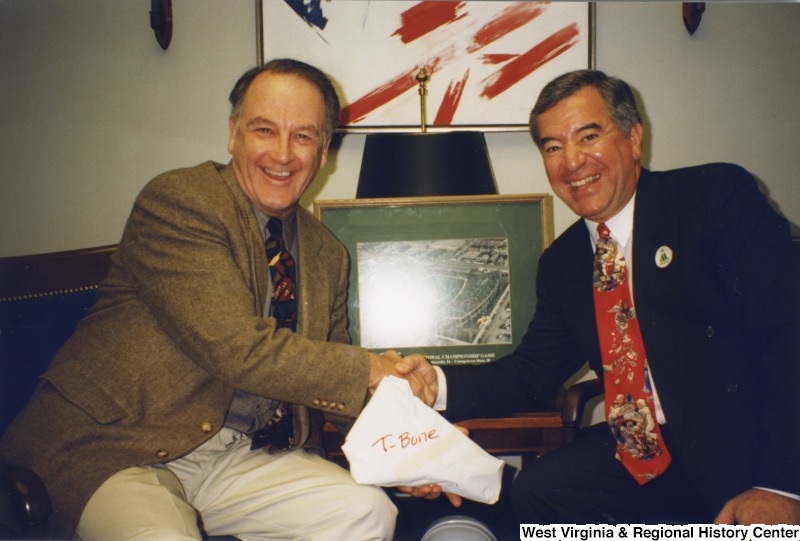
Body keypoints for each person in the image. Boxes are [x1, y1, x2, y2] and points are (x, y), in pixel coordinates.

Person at [0, 59, 436, 540]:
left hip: (238, 456)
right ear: (233, 134)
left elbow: (335, 392)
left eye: (304, 136)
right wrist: (372, 368)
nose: (283, 154)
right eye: (265, 130)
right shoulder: (181, 201)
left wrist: (416, 448)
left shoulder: (327, 254)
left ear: (324, 150)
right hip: (115, 447)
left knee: (366, 512)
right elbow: (234, 346)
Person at [399, 69, 800, 525]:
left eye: (588, 136)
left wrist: (780, 484)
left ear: (633, 138)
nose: (571, 161)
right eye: (552, 147)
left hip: (745, 445)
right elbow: (532, 373)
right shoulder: (563, 261)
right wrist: (435, 382)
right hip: (644, 448)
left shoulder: (712, 199)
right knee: (539, 492)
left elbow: (789, 338)